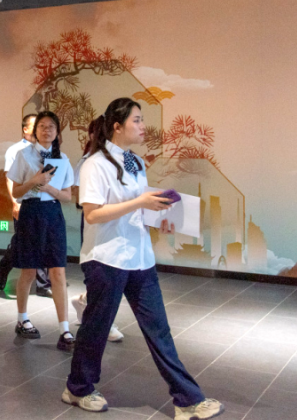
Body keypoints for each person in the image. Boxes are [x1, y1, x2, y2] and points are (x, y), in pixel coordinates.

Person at [63, 98, 224, 418]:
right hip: (106, 259)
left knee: (158, 330)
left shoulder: (136, 161)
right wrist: (139, 202)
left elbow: (139, 204)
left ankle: (187, 399)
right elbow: (92, 214)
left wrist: (162, 215)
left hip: (139, 258)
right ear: (117, 126)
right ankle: (78, 388)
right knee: (96, 328)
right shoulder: (95, 164)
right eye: (136, 120)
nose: (142, 126)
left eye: (142, 119)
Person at [7, 111, 75, 351]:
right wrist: (34, 181)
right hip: (31, 212)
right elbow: (16, 192)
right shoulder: (23, 155)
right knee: (29, 270)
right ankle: (22, 319)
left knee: (58, 270)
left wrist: (50, 189)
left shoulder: (63, 158)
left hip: (53, 213)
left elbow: (68, 196)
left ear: (57, 132)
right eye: (42, 126)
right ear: (35, 131)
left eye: (51, 127)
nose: (47, 130)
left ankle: (65, 329)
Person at [71, 117, 124, 343]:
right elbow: (78, 197)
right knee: (101, 274)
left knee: (111, 276)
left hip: (118, 226)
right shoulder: (88, 162)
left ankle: (84, 302)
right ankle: (103, 323)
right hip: (97, 224)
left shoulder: (125, 160)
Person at [0, 114, 52, 296]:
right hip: (24, 202)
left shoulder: (46, 150)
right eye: (36, 125)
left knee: (43, 240)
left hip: (43, 205)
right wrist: (15, 203)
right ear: (25, 129)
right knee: (22, 242)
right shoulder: (16, 150)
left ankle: (43, 284)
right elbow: (10, 179)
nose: (40, 129)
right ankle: (6, 264)